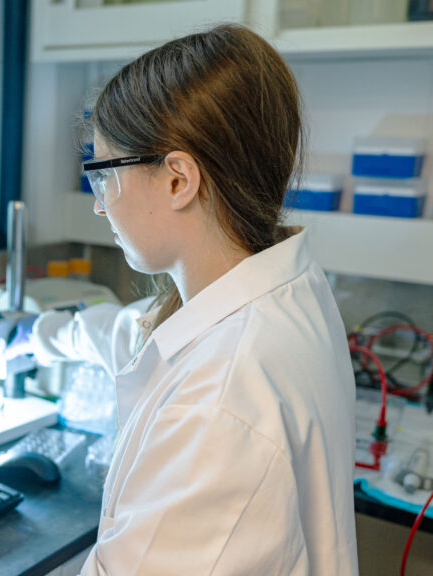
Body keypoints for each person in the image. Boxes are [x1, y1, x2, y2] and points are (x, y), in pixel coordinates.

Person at [25, 24, 358, 574]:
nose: (100, 208)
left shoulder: (218, 406)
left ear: (178, 179)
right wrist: (34, 336)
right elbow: (144, 337)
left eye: (104, 176)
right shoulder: (281, 284)